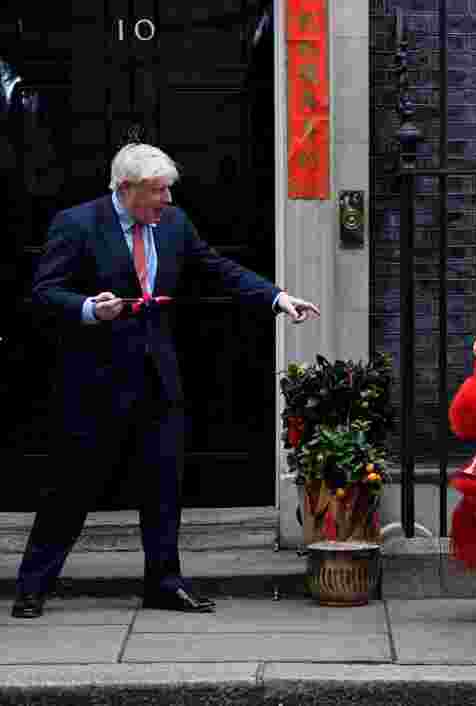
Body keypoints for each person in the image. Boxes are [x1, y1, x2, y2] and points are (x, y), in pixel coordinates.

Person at [10, 143, 321, 618]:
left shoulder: (174, 224)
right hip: (94, 382)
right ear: (126, 188)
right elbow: (45, 292)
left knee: (162, 486)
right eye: (157, 191)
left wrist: (277, 298)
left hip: (158, 377)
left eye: (167, 190)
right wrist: (91, 309)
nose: (166, 201)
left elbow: (217, 268)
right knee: (71, 487)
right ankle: (33, 585)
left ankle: (164, 581)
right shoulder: (77, 224)